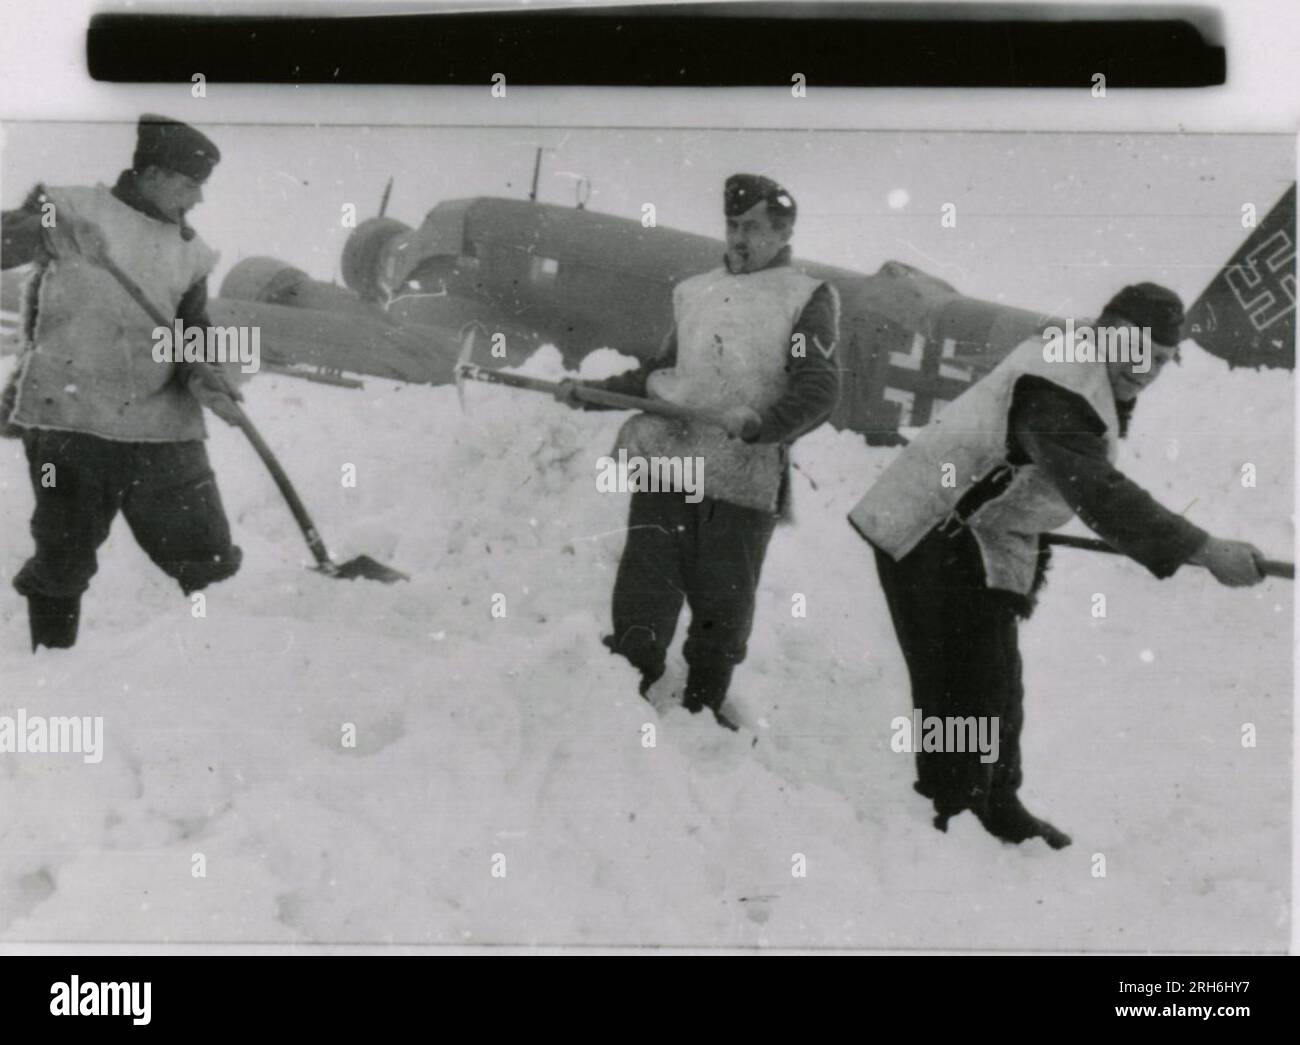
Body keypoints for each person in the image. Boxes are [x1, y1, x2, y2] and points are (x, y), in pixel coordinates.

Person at [848, 283, 1266, 847]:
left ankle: (997, 799)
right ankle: (958, 812)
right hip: (932, 532)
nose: (1146, 371)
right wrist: (1205, 548)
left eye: (1163, 361)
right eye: (1138, 350)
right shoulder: (1058, 383)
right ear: (1106, 329)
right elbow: (1096, 489)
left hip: (980, 533)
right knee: (961, 687)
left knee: (997, 683)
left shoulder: (1088, 366)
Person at [558, 174, 841, 729]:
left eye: (753, 228)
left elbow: (819, 390)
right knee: (645, 588)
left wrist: (764, 425)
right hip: (671, 462)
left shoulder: (806, 299)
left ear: (783, 233)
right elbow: (663, 377)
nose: (739, 238)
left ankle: (703, 710)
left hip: (741, 476)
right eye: (733, 225)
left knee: (722, 608)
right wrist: (591, 395)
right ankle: (623, 697)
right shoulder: (694, 291)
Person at [1, 113, 244, 651]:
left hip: (163, 429)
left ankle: (223, 668)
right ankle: (52, 669)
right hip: (70, 419)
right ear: (154, 174)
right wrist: (48, 229)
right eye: (190, 184)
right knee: (63, 556)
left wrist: (207, 373)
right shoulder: (68, 207)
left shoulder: (191, 252)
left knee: (208, 557)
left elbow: (190, 333)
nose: (198, 199)